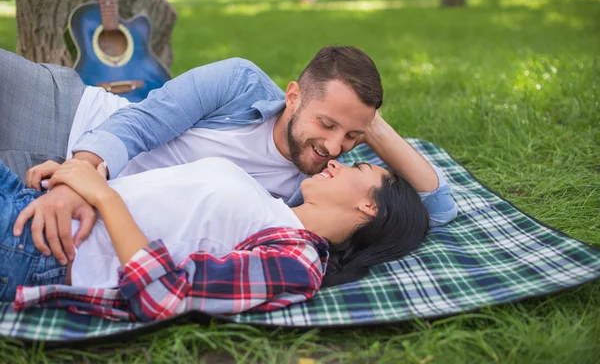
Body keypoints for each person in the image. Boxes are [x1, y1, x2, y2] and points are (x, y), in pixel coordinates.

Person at [0, 46, 457, 268]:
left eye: (352, 138)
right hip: (68, 119)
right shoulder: (240, 83)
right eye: (327, 124)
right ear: (293, 96)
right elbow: (140, 124)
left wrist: (366, 119)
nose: (335, 148)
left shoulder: (306, 192)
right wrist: (76, 176)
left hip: (59, 190)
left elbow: (437, 207)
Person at [1, 153, 429, 321]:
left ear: (370, 208)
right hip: (37, 202)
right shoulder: (274, 202)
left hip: (37, 246)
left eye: (359, 169)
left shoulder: (299, 262)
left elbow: (162, 293)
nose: (337, 160)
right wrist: (73, 183)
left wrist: (101, 194)